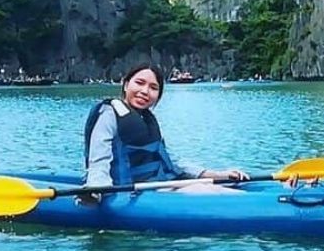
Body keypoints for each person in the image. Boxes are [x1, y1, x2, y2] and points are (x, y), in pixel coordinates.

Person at [83, 63, 247, 198]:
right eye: (139, 83)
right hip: (129, 190)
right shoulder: (108, 114)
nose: (145, 91)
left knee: (214, 186)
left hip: (160, 183)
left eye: (153, 88)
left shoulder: (146, 119)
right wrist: (96, 190)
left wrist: (216, 175)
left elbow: (171, 160)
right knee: (204, 191)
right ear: (126, 85)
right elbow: (99, 160)